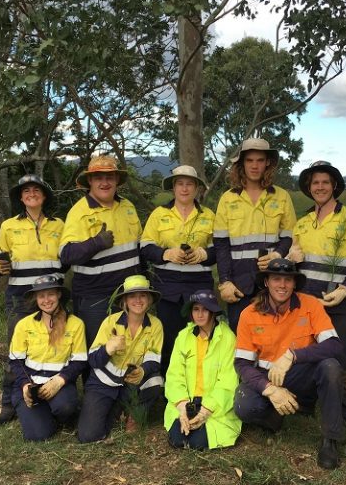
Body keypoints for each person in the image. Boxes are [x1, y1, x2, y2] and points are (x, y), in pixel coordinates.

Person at [288, 161, 346, 433]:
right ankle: (305, 405)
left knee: (343, 359)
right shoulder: (302, 223)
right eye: (315, 183)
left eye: (325, 182)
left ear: (334, 185)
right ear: (308, 187)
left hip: (341, 303)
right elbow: (296, 265)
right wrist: (291, 259)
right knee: (306, 353)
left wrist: (345, 289)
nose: (320, 187)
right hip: (308, 303)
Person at [233, 258, 345, 469]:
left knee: (331, 367)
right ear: (266, 282)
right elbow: (242, 364)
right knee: (244, 407)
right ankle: (274, 415)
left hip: (300, 374)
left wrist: (292, 355)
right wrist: (270, 390)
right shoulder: (249, 314)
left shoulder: (310, 305)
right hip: (267, 377)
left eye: (288, 280)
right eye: (276, 279)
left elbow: (334, 345)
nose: (282, 285)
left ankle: (330, 440)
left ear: (295, 284)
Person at [0, 174, 65, 425]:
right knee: (17, 350)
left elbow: (68, 260)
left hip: (53, 299)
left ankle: (53, 399)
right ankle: (8, 404)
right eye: (26, 191)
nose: (31, 193)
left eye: (37, 190)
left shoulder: (59, 225)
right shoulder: (9, 226)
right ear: (21, 198)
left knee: (55, 346)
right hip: (20, 298)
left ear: (44, 196)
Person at [213, 138, 297, 331]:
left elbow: (290, 237)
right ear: (242, 163)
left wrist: (277, 255)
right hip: (238, 285)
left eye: (260, 160)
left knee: (274, 338)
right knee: (240, 340)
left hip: (273, 282)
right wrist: (225, 281)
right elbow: (221, 245)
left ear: (268, 163)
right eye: (250, 160)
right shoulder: (227, 199)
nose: (254, 165)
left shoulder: (281, 196)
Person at [59, 155, 142, 348]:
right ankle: (93, 380)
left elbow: (139, 249)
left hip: (127, 293)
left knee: (125, 347)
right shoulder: (79, 211)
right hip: (95, 298)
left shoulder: (127, 207)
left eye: (109, 177)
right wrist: (96, 243)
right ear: (90, 181)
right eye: (98, 178)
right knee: (97, 349)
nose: (104, 182)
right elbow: (66, 254)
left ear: (116, 180)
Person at [140, 165, 215, 375]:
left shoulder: (209, 215)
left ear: (197, 188)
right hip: (168, 287)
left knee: (200, 335)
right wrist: (166, 254)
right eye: (180, 184)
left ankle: (199, 383)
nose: (184, 188)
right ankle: (170, 388)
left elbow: (221, 249)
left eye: (189, 184)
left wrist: (204, 254)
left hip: (199, 285)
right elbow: (145, 247)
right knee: (170, 337)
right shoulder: (159, 214)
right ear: (173, 188)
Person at [77, 275, 164, 443]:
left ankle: (134, 414)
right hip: (103, 383)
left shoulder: (155, 325)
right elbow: (93, 361)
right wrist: (108, 349)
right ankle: (116, 410)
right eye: (132, 296)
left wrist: (142, 370)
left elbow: (154, 359)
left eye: (143, 295)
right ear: (124, 300)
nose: (138, 300)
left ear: (149, 299)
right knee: (89, 436)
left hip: (131, 382)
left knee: (156, 381)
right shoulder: (110, 322)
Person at [9, 274, 86, 441]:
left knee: (65, 407)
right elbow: (15, 361)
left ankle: (59, 411)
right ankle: (38, 413)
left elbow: (79, 361)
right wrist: (25, 385)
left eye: (50, 294)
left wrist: (60, 380)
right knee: (38, 435)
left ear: (58, 294)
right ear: (36, 299)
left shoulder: (76, 324)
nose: (46, 300)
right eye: (41, 296)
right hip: (31, 384)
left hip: (60, 384)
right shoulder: (24, 324)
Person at [164, 290, 241, 450]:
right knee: (178, 440)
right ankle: (186, 414)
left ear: (213, 311)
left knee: (197, 443)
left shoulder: (227, 338)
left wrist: (205, 411)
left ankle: (206, 420)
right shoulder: (183, 336)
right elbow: (174, 375)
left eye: (205, 309)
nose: (200, 314)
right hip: (188, 401)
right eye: (196, 309)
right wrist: (182, 406)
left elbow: (228, 381)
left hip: (214, 405)